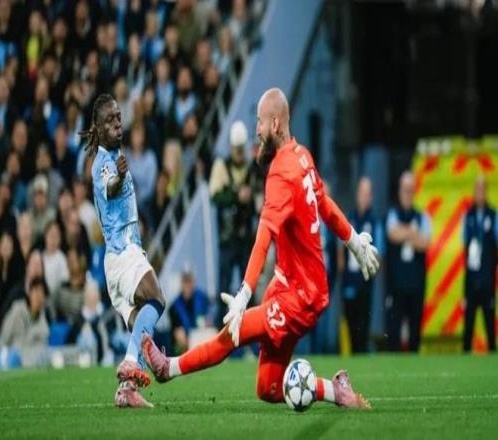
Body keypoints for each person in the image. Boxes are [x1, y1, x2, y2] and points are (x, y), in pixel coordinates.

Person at [142, 88, 379, 409]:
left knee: (234, 332)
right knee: (268, 388)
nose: (257, 130)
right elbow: (324, 204)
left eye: (260, 122)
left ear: (275, 124)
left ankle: (167, 368)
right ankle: (335, 390)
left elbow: (263, 237)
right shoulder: (302, 155)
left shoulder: (282, 171)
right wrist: (353, 240)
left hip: (301, 297)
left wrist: (244, 293)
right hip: (289, 284)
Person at [80, 94, 166, 408]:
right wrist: (117, 175)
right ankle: (130, 362)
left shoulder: (115, 154)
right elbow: (110, 186)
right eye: (110, 120)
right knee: (156, 299)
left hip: (118, 261)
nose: (118, 123)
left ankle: (127, 389)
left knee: (141, 328)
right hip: (122, 251)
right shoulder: (102, 163)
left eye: (118, 117)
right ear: (98, 128)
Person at [209, 120, 255, 328]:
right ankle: (222, 333)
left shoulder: (251, 169)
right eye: (236, 149)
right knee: (224, 286)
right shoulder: (221, 167)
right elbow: (215, 196)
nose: (239, 154)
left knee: (248, 288)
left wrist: (251, 198)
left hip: (245, 238)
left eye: (241, 149)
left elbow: (260, 197)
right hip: (227, 239)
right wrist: (237, 195)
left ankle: (250, 333)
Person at [386, 171, 431, 352]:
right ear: (399, 191)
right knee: (394, 330)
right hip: (397, 284)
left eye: (410, 190)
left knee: (415, 330)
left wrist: (404, 233)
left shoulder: (422, 217)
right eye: (405, 190)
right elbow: (392, 234)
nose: (407, 194)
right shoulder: (392, 214)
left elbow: (425, 243)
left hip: (416, 283)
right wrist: (412, 233)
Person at [339, 177, 383, 353]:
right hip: (349, 280)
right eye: (362, 193)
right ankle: (354, 354)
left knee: (363, 325)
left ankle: (362, 353)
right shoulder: (349, 219)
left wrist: (374, 270)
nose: (364, 198)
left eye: (367, 194)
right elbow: (340, 249)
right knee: (351, 324)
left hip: (365, 280)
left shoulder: (374, 221)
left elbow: (379, 252)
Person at [462, 175, 497, 352]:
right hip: (471, 278)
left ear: (486, 191)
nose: (480, 192)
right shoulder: (468, 216)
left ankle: (492, 355)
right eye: (477, 189)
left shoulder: (493, 215)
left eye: (483, 189)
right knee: (468, 324)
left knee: (489, 322)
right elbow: (465, 243)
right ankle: (465, 357)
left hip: (488, 277)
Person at [169, 268, 211, 354]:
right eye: (186, 282)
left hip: (201, 336)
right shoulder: (174, 307)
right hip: (186, 342)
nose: (188, 285)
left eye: (190, 282)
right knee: (180, 336)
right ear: (181, 283)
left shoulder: (202, 298)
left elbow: (210, 316)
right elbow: (178, 332)